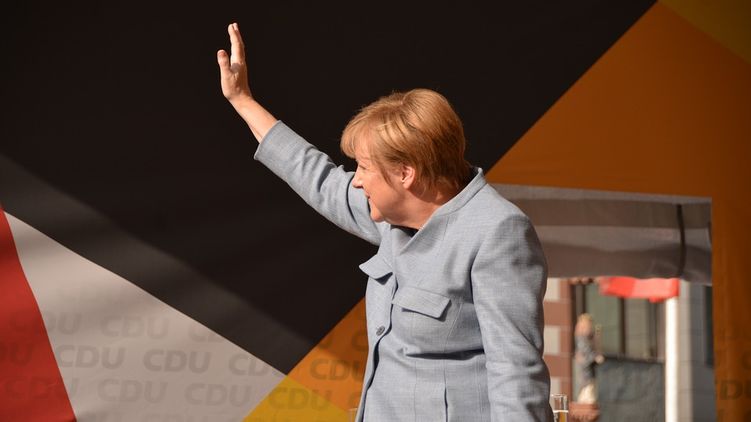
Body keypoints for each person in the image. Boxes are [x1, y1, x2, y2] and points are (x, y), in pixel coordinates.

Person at [217, 22, 553, 422]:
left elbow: (515, 375)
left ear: (405, 174)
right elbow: (314, 174)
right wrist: (242, 100)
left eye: (363, 167)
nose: (355, 180)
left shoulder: (498, 232)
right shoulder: (391, 215)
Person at [574, 313, 605, 404]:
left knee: (588, 397)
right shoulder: (582, 339)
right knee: (588, 398)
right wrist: (595, 357)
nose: (590, 328)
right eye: (589, 325)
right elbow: (586, 353)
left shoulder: (588, 338)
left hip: (588, 374)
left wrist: (597, 339)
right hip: (585, 374)